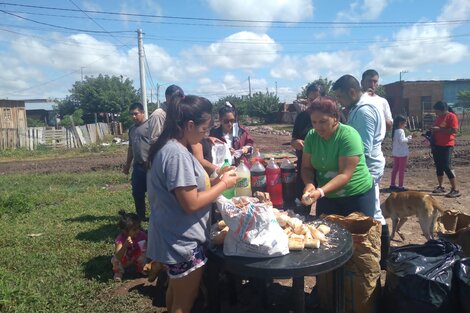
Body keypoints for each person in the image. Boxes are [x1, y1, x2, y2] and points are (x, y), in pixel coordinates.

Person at [146, 95, 238, 313]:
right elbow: (191, 203)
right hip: (181, 241)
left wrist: (215, 181)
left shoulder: (170, 147)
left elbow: (188, 191)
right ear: (189, 125)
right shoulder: (177, 154)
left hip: (172, 235)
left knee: (175, 293)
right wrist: (224, 184)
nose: (206, 134)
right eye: (204, 129)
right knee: (184, 303)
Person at [333, 74, 389, 268]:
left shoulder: (364, 112)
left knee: (373, 213)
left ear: (352, 92)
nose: (339, 102)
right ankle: (381, 257)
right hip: (368, 165)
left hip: (368, 167)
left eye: (340, 97)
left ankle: (382, 257)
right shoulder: (358, 107)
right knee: (375, 210)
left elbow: (361, 149)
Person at [301, 96, 376, 218]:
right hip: (327, 196)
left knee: (357, 235)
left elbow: (344, 175)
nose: (318, 127)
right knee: (327, 234)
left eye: (322, 121)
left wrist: (320, 192)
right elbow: (306, 167)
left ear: (335, 118)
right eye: (314, 122)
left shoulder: (348, 136)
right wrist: (309, 184)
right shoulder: (311, 136)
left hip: (356, 195)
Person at [291, 83, 325, 206]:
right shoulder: (302, 117)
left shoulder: (332, 117)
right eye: (311, 100)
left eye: (317, 99)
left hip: (326, 166)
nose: (313, 103)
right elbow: (293, 139)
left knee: (324, 201)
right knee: (303, 199)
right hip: (305, 163)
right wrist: (296, 143)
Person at [123, 102, 150, 221]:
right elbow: (130, 148)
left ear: (143, 113)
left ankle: (156, 217)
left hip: (150, 167)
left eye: (136, 114)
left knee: (154, 194)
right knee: (137, 193)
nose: (133, 116)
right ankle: (141, 217)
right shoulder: (132, 129)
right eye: (131, 114)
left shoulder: (150, 126)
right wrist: (127, 164)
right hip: (137, 167)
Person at [431, 101, 460, 198]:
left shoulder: (451, 116)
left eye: (437, 111)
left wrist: (438, 129)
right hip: (437, 144)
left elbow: (454, 130)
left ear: (442, 110)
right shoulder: (439, 117)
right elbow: (437, 129)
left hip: (447, 145)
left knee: (446, 166)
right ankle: (440, 186)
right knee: (439, 166)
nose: (436, 113)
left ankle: (455, 189)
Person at [111, 210, 147, 282]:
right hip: (125, 259)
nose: (137, 231)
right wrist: (125, 245)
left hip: (136, 257)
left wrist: (145, 248)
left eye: (139, 228)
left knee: (144, 256)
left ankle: (141, 268)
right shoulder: (120, 239)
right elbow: (118, 256)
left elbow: (146, 247)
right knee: (115, 260)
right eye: (134, 229)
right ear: (125, 231)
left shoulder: (141, 235)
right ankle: (118, 273)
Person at [390, 115, 412, 191]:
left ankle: (392, 184)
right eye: (404, 124)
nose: (405, 125)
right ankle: (400, 186)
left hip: (396, 153)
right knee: (401, 170)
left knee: (395, 169)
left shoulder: (395, 131)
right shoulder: (401, 131)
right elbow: (402, 141)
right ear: (400, 123)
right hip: (402, 153)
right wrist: (409, 138)